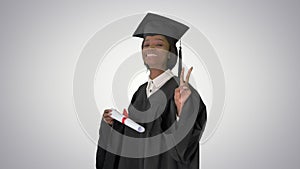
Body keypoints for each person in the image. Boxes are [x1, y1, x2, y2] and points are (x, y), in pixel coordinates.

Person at [96, 13, 207, 169]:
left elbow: (185, 148)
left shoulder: (184, 92)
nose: (151, 48)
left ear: (171, 53)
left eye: (159, 44)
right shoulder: (141, 91)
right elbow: (134, 139)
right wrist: (115, 124)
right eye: (146, 44)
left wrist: (182, 111)